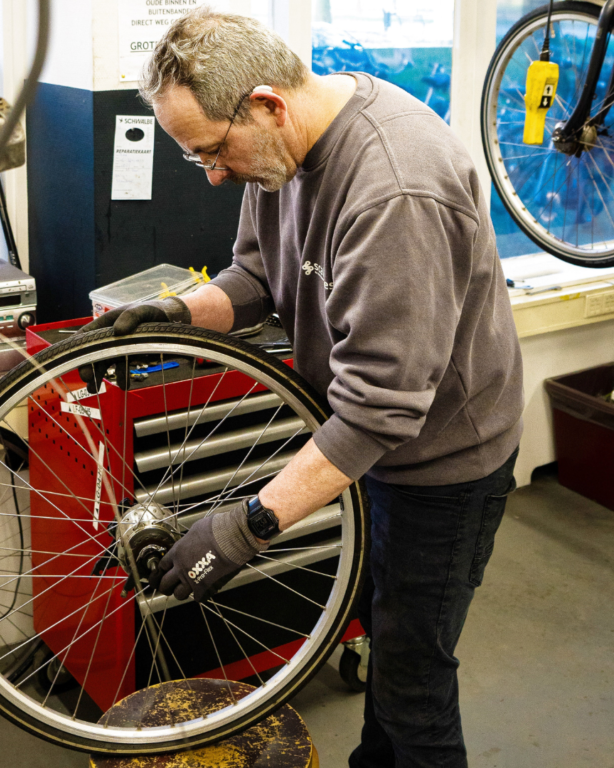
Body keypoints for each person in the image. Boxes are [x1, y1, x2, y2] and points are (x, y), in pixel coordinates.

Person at [81, 8, 523, 767]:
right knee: (388, 647)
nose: (214, 175)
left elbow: (379, 408)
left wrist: (245, 527)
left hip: (444, 463)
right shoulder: (282, 148)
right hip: (373, 451)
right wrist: (172, 315)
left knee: (414, 679)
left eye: (213, 152)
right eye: (198, 161)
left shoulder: (395, 189)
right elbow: (255, 278)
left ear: (267, 104)